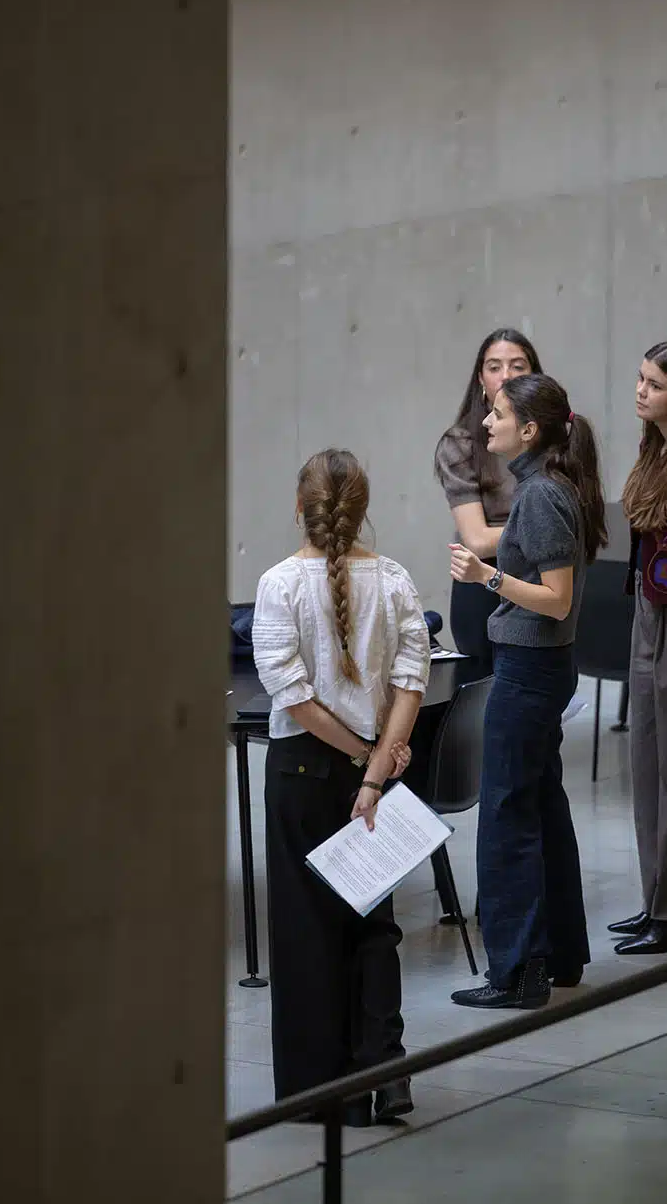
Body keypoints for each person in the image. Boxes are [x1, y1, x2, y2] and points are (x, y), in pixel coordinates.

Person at [252, 448, 431, 1125]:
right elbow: (412, 677)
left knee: (304, 930)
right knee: (373, 923)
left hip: (302, 769)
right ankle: (385, 1077)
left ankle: (313, 1094)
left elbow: (294, 698)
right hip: (373, 776)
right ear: (361, 514)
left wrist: (361, 755)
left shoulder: (278, 585)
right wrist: (377, 767)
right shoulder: (394, 579)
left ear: (300, 510)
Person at [447, 374, 606, 1010]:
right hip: (542, 667)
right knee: (540, 807)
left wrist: (489, 578)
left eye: (499, 414)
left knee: (507, 816)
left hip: (530, 668)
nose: (487, 423)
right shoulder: (549, 486)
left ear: (530, 430)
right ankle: (559, 958)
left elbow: (556, 598)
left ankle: (516, 972)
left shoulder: (541, 494)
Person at [609, 339, 667, 956]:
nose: (642, 391)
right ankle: (653, 898)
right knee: (645, 757)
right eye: (640, 379)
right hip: (648, 603)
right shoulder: (654, 447)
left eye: (655, 384)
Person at [434, 328, 543, 678]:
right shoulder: (460, 443)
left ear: (534, 376)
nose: (506, 376)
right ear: (481, 378)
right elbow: (478, 541)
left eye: (518, 366)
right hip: (483, 586)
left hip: (545, 581)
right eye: (494, 367)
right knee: (488, 703)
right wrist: (544, 529)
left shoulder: (558, 442)